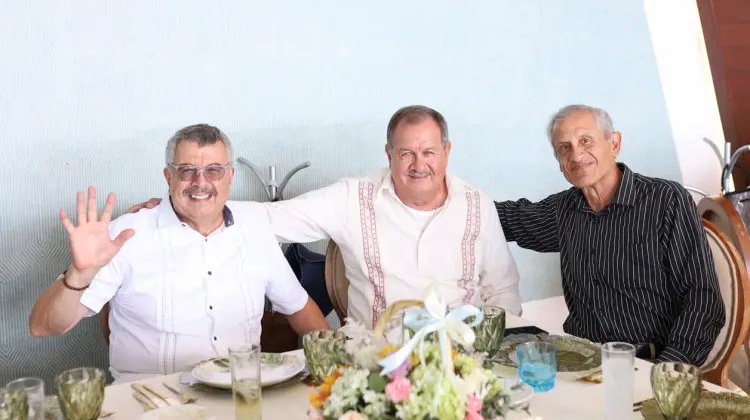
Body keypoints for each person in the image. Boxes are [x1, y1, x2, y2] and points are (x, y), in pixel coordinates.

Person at [131, 106, 522, 328]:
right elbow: (271, 218)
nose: (418, 164)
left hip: (460, 361)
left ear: (447, 152)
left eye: (429, 152)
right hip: (375, 363)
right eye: (406, 153)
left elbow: (503, 289)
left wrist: (488, 347)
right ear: (389, 154)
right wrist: (184, 204)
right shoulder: (353, 198)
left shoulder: (477, 205)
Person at [29, 124, 329, 382]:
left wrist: (339, 370)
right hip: (150, 398)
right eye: (186, 170)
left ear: (230, 175)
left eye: (214, 170)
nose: (201, 182)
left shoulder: (255, 227)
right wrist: (79, 275)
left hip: (238, 391)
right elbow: (43, 326)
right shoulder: (126, 235)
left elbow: (299, 309)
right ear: (168, 176)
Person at [495, 104, 725, 365]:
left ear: (614, 143)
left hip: (651, 362)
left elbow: (703, 301)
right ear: (559, 162)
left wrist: (665, 372)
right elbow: (503, 218)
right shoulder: (563, 210)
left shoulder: (666, 200)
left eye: (585, 141)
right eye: (564, 147)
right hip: (584, 363)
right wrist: (455, 196)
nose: (576, 155)